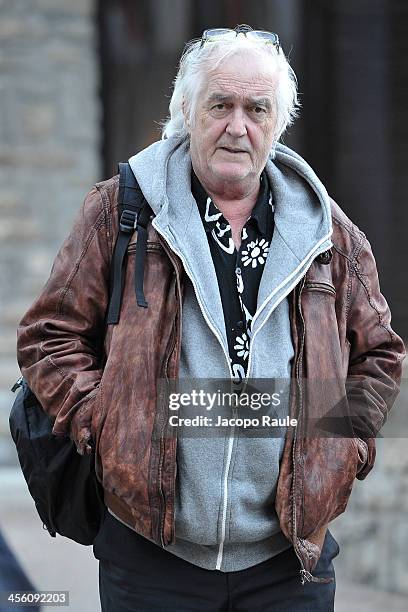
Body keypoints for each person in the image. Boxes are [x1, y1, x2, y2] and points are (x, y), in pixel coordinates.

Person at [16, 25, 405, 612]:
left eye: (257, 109)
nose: (237, 126)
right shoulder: (121, 211)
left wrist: (339, 443)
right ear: (186, 112)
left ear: (277, 123)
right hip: (152, 551)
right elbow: (50, 337)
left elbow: (379, 355)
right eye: (220, 105)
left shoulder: (329, 234)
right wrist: (109, 419)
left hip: (288, 558)